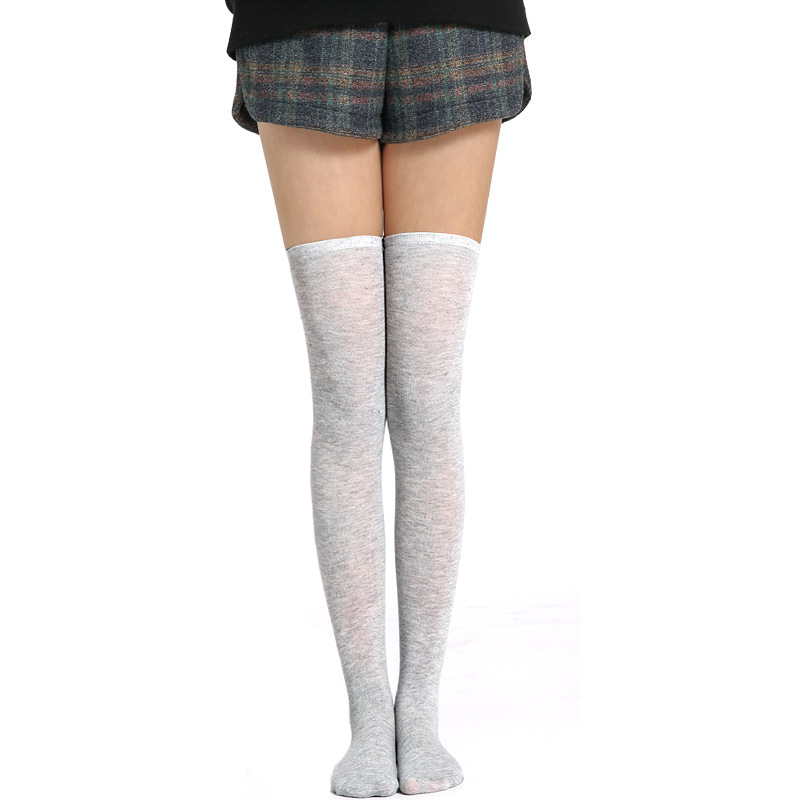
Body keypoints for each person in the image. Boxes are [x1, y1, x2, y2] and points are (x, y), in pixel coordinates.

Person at [224, 4, 533, 796]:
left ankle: (419, 710)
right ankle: (368, 715)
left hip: (458, 17)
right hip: (302, 19)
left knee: (429, 393)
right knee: (344, 394)